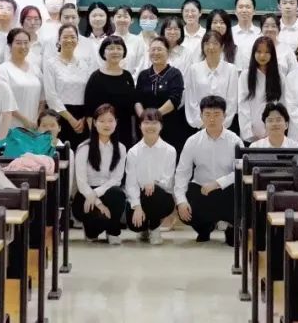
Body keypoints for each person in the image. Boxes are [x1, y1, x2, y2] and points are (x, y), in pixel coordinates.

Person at [174, 95, 243, 244]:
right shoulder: (192, 141)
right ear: (201, 116)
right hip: (202, 190)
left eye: (217, 114)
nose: (212, 119)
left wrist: (218, 183)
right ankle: (204, 228)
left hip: (227, 192)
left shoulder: (235, 141)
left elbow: (241, 171)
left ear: (224, 116)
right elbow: (182, 173)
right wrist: (181, 201)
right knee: (189, 196)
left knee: (239, 191)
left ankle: (230, 227)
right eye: (207, 114)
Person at [73, 104, 127, 244]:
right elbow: (81, 182)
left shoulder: (121, 148)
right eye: (102, 121)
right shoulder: (84, 148)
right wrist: (98, 202)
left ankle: (113, 231)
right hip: (85, 194)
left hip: (106, 191)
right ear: (94, 123)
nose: (106, 125)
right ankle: (91, 230)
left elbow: (117, 179)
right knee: (95, 227)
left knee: (117, 194)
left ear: (116, 123)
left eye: (110, 120)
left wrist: (96, 193)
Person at [125, 109, 177, 244]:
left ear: (161, 126)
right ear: (140, 126)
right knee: (134, 224)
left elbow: (168, 181)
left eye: (154, 123)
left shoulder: (170, 150)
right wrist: (137, 206)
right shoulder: (133, 152)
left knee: (154, 192)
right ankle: (144, 228)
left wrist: (154, 182)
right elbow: (131, 184)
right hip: (141, 197)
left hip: (162, 197)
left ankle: (154, 227)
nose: (150, 126)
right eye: (146, 123)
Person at [135, 37, 187, 156]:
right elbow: (137, 99)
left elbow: (175, 99)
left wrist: (155, 116)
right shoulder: (143, 75)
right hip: (145, 125)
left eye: (159, 49)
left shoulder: (175, 74)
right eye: (153, 49)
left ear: (168, 52)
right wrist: (144, 117)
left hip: (169, 125)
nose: (155, 52)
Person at [43, 24, 94, 146]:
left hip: (82, 119)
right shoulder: (51, 64)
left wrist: (84, 117)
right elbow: (51, 96)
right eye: (65, 37)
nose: (69, 40)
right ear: (59, 40)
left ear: (77, 40)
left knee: (82, 152)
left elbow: (89, 92)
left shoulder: (84, 64)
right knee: (61, 153)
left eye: (73, 37)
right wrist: (71, 119)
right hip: (60, 116)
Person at [84, 35, 138, 149]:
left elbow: (132, 107)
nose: (115, 51)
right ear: (103, 53)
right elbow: (89, 112)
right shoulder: (95, 77)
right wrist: (94, 136)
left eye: (119, 48)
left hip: (125, 131)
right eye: (111, 48)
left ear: (124, 52)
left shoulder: (127, 76)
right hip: (103, 132)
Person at [183, 31, 238, 134]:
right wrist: (201, 123)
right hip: (200, 126)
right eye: (207, 43)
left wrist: (222, 124)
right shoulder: (194, 69)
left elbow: (232, 101)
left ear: (222, 47)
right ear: (203, 47)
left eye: (215, 43)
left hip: (224, 128)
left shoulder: (231, 69)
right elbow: (191, 100)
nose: (211, 47)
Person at [238, 36, 284, 142]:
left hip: (273, 132)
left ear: (272, 55)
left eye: (267, 52)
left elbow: (282, 104)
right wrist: (248, 132)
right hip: (251, 134)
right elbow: (242, 105)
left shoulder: (279, 77)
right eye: (259, 52)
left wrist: (274, 130)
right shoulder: (246, 75)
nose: (262, 55)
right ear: (253, 53)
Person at [0, 28, 44, 131]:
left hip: (33, 126)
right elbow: (4, 101)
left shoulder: (35, 68)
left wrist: (37, 119)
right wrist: (24, 120)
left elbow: (42, 99)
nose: (23, 46)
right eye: (18, 43)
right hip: (11, 127)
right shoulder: (3, 70)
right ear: (10, 45)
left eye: (26, 43)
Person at [112, 5, 146, 76]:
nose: (122, 20)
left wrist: (130, 81)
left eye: (125, 17)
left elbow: (140, 66)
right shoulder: (105, 40)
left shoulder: (138, 41)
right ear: (112, 19)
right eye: (119, 16)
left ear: (132, 20)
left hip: (131, 81)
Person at [231, 0, 261, 72]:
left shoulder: (260, 34)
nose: (244, 10)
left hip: (255, 75)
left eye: (248, 7)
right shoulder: (229, 33)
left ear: (254, 11)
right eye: (240, 7)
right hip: (233, 76)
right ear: (235, 11)